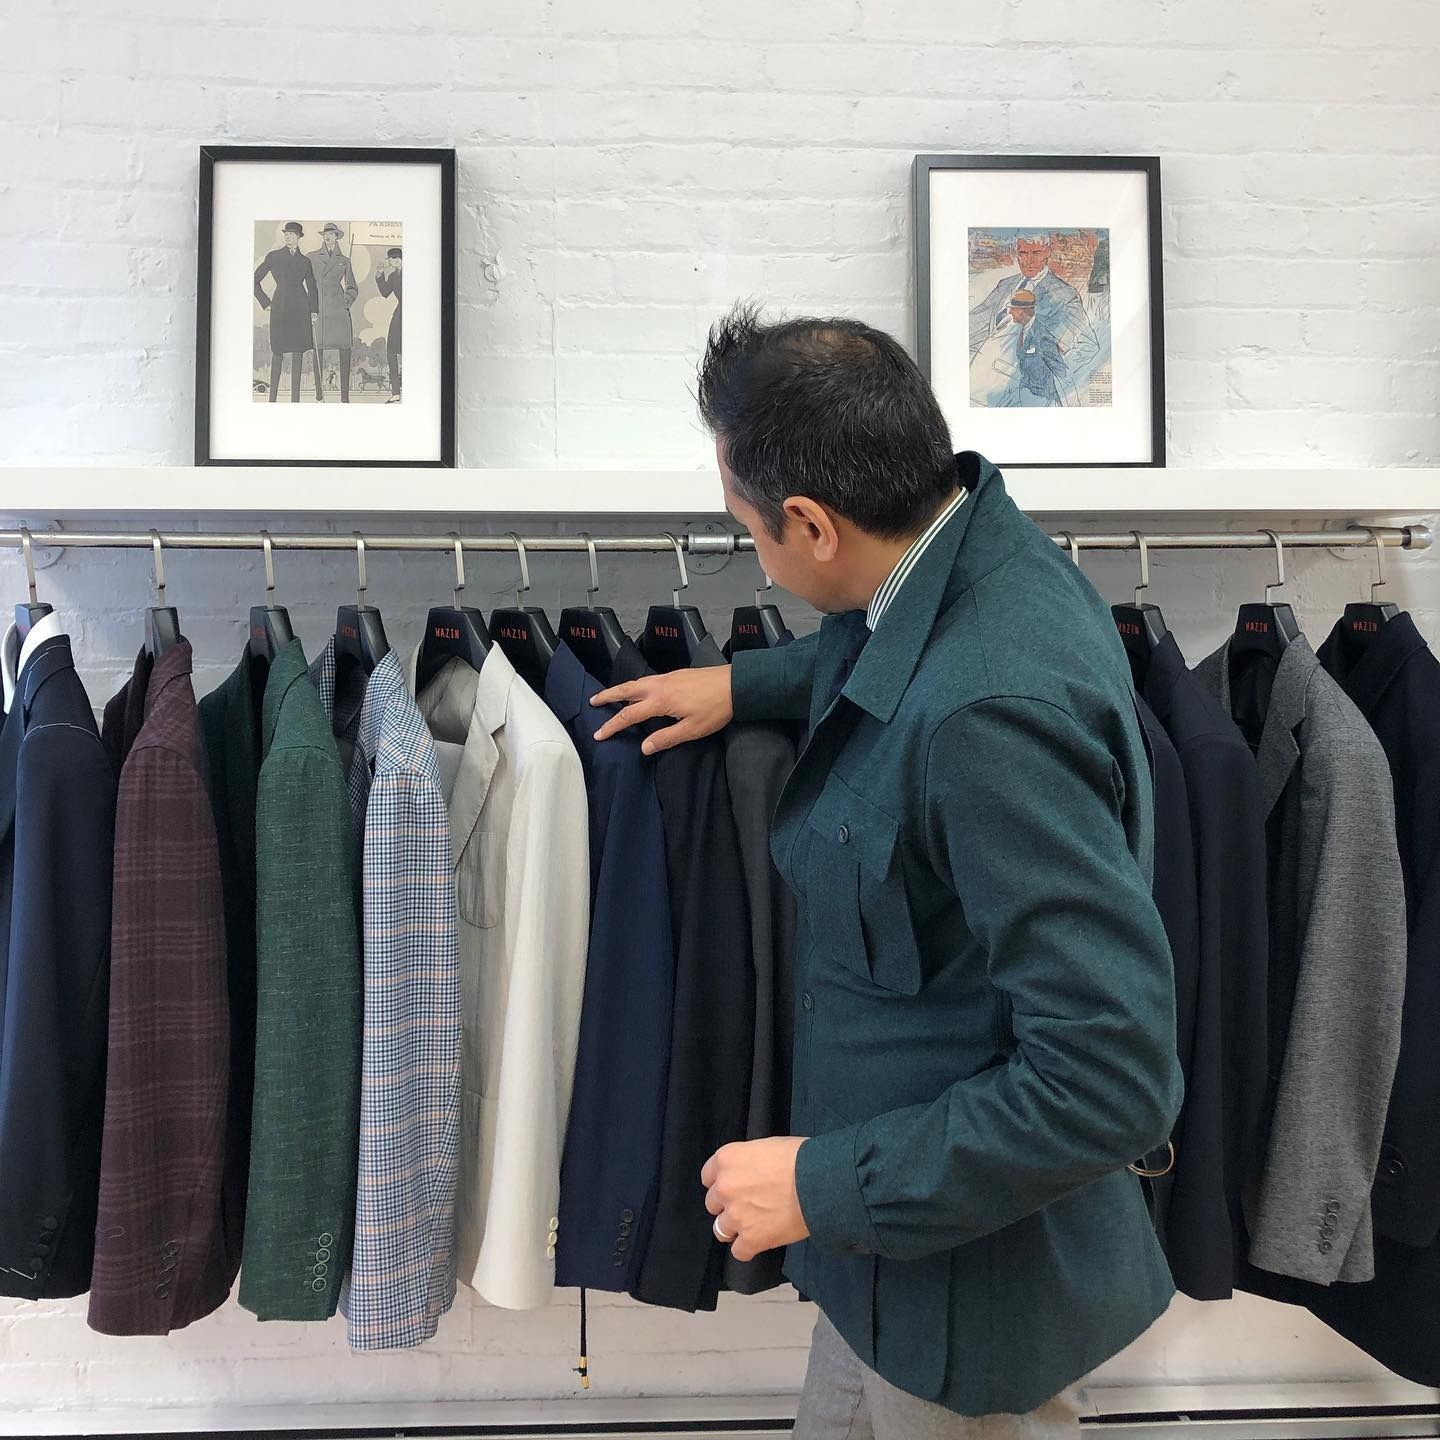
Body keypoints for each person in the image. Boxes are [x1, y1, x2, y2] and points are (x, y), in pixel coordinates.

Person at [591, 306, 1181, 1436]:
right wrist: (746, 685)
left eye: (748, 533)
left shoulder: (991, 723)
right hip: (885, 1265)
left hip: (970, 1320)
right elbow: (890, 640)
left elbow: (1112, 1080)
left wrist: (816, 1186)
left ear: (812, 523)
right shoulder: (966, 549)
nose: (753, 555)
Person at [968, 232, 1098, 395]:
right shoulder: (1006, 285)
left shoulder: (1063, 295)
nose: (1029, 260)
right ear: (1017, 253)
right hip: (977, 377)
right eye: (1023, 253)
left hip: (1019, 390)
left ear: (1048, 252)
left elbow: (1087, 346)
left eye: (1036, 253)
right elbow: (974, 324)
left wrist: (1049, 382)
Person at [252, 221, 320, 403]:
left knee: (298, 353)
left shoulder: (305, 261)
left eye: (292, 233)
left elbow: (312, 288)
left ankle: (295, 401)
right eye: (286, 233)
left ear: (299, 237)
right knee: (277, 351)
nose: (288, 236)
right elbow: (254, 280)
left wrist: (314, 311)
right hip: (280, 307)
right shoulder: (274, 256)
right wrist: (266, 302)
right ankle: (272, 399)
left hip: (301, 308)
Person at [968, 289, 1072, 407]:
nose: (1010, 312)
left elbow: (1062, 373)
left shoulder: (1042, 337)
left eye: (1013, 309)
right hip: (1026, 397)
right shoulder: (1022, 330)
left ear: (1023, 311)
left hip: (1044, 401)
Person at [310, 221, 358, 403]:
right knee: (317, 350)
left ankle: (345, 398)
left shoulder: (344, 261)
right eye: (325, 234)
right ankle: (319, 396)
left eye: (332, 233)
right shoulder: (312, 257)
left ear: (337, 236)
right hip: (319, 309)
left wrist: (346, 300)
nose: (328, 236)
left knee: (345, 349)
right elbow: (305, 281)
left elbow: (352, 287)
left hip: (339, 311)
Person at [375, 247, 403, 403]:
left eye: (391, 259)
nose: (389, 262)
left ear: (397, 259)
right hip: (399, 314)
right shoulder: (393, 276)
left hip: (414, 313)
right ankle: (396, 393)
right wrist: (380, 276)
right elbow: (385, 293)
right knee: (391, 352)